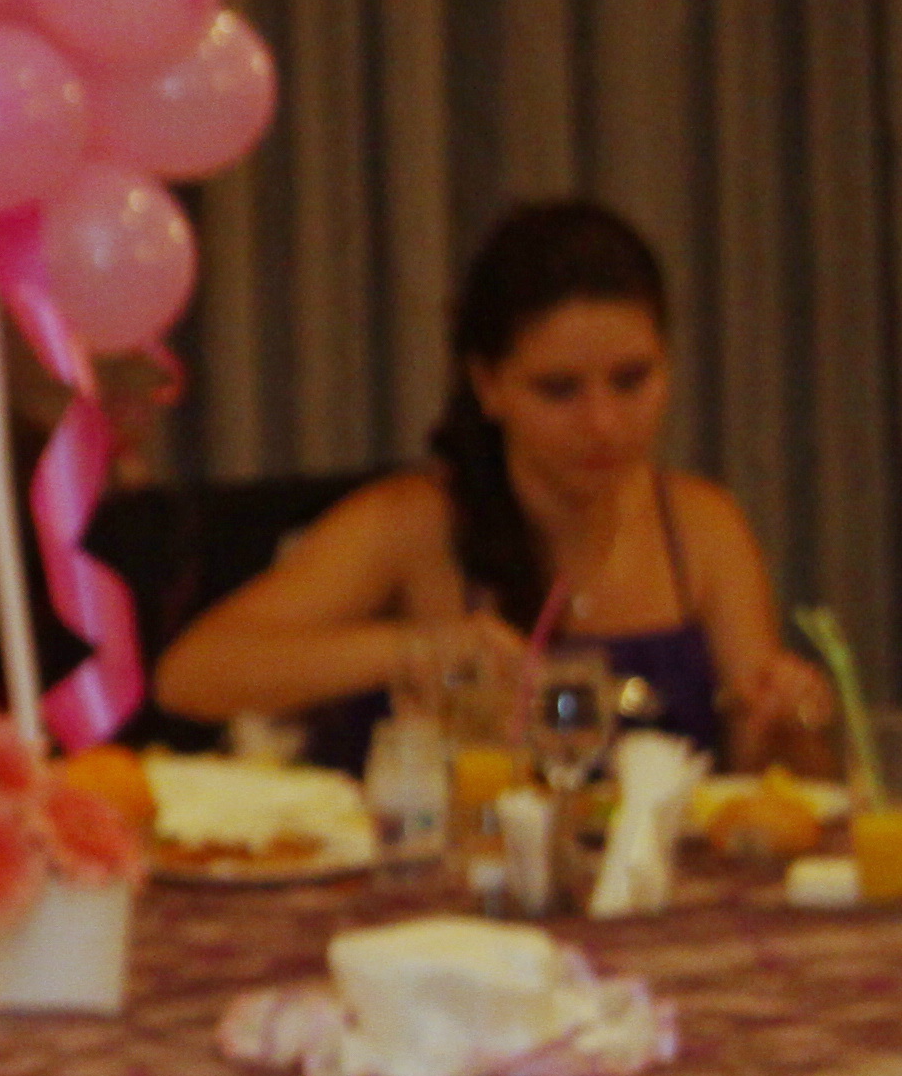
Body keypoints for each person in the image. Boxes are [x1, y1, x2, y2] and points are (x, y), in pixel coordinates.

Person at [149, 196, 835, 767]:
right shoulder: (415, 522)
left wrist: (788, 719)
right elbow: (192, 674)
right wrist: (412, 649)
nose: (603, 424)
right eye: (559, 390)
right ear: (488, 385)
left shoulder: (701, 525)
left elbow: (767, 783)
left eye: (632, 381)